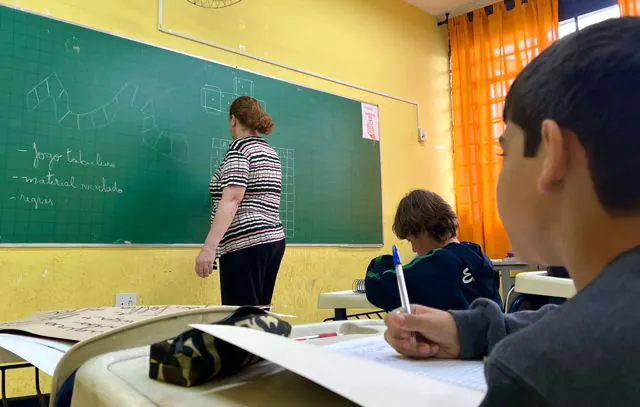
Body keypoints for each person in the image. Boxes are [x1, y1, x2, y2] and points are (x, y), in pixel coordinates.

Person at [383, 17, 640, 406]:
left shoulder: (537, 372)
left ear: (553, 154)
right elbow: (568, 322)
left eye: (505, 151)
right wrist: (467, 329)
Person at [195, 96, 285, 307]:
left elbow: (233, 199)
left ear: (233, 119)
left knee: (240, 322)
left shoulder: (240, 149)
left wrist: (209, 248)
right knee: (257, 318)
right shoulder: (270, 152)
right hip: (273, 241)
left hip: (246, 244)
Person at [365, 190, 502, 311]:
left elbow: (379, 285)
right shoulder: (475, 253)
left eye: (411, 240)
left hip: (458, 339)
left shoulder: (438, 262)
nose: (413, 249)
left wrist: (382, 261)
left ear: (423, 230)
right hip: (494, 336)